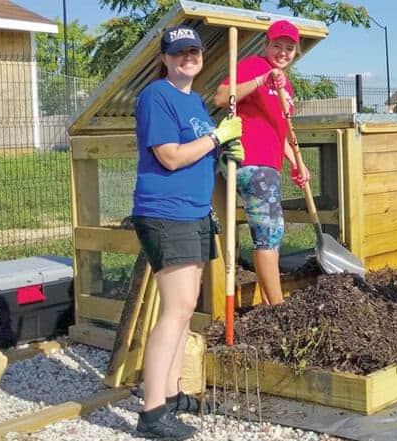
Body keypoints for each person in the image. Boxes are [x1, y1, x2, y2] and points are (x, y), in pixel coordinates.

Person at [132, 25, 243, 439]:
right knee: (175, 310)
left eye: (193, 51)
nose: (188, 58)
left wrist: (224, 150)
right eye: (179, 53)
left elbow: (198, 153)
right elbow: (170, 157)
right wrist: (216, 136)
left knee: (185, 307)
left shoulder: (194, 101)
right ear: (164, 59)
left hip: (195, 213)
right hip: (166, 213)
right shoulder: (156, 97)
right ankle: (152, 412)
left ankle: (173, 393)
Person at [214, 19, 308, 306]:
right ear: (267, 45)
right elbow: (220, 97)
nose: (282, 52)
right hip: (251, 161)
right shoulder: (254, 66)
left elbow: (279, 132)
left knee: (272, 234)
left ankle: (270, 304)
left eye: (289, 48)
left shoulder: (286, 84)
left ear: (295, 51)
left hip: (269, 164)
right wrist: (260, 81)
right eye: (277, 45)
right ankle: (279, 309)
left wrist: (296, 162)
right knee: (268, 234)